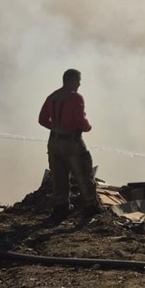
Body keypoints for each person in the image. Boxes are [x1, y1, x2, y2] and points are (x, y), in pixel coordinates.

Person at [38, 68, 98, 219]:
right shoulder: (76, 98)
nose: (79, 84)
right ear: (70, 80)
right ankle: (91, 207)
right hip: (72, 144)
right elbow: (81, 122)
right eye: (78, 80)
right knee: (83, 174)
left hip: (54, 143)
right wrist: (87, 127)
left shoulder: (52, 96)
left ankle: (60, 208)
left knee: (59, 177)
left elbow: (42, 120)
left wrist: (57, 128)